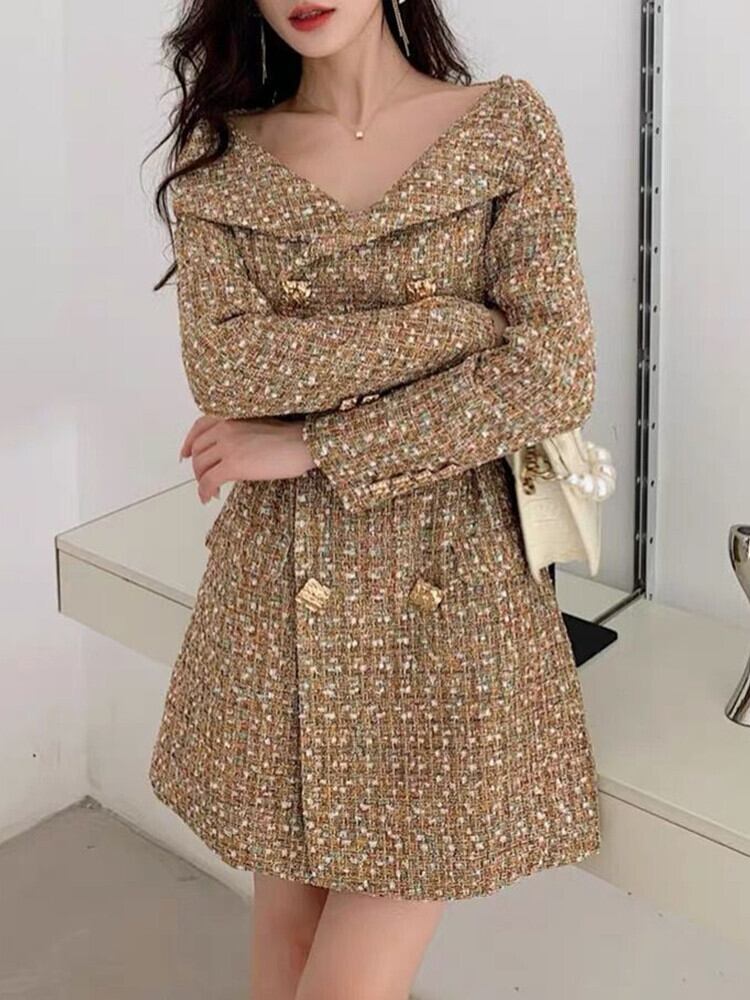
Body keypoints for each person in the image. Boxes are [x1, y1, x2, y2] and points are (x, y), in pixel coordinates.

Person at [147, 1, 602, 997]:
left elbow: (553, 374)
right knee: (284, 953)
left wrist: (313, 443)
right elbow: (229, 368)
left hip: (452, 603)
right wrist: (459, 326)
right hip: (280, 599)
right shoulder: (225, 156)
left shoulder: (503, 126)